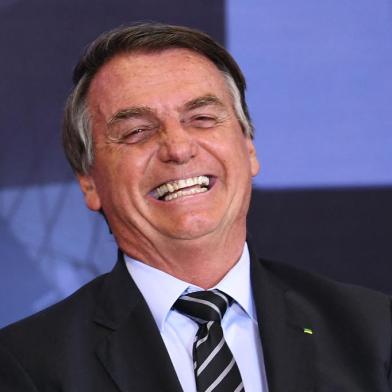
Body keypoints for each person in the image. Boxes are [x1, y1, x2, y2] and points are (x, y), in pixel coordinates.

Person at [0, 23, 391, 392]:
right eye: (137, 131)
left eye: (202, 118)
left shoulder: (375, 331)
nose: (178, 148)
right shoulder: (26, 365)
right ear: (89, 181)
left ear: (249, 148)